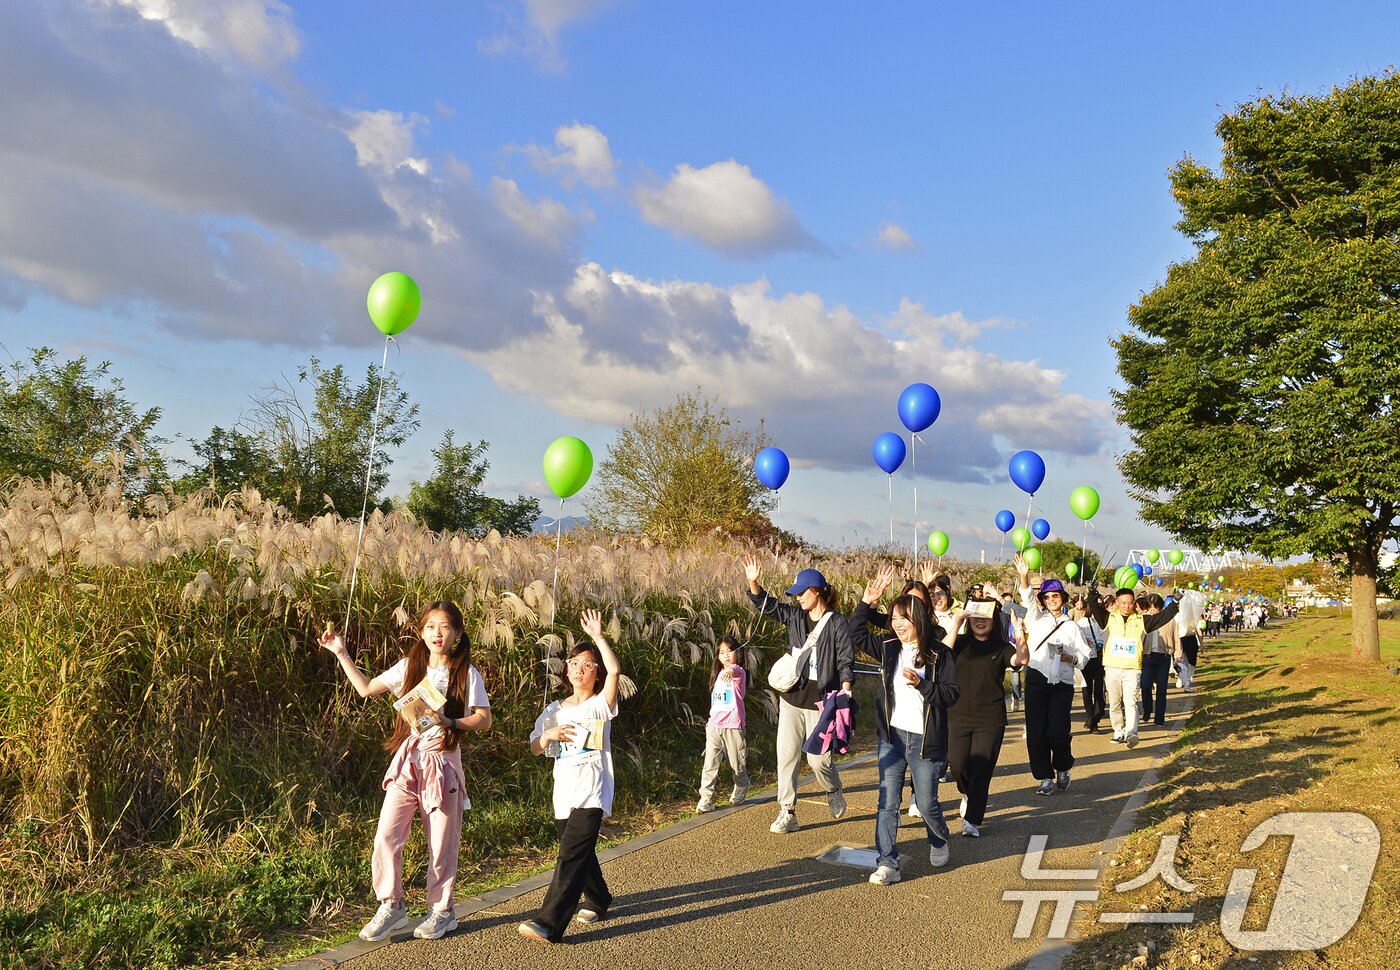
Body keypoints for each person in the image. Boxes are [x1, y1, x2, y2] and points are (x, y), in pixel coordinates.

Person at [319, 603, 492, 942]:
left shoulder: (466, 673)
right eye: (430, 627)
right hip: (408, 762)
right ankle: (392, 905)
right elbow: (366, 688)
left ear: (457, 633)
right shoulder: (408, 667)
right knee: (386, 834)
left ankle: (442, 911)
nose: (437, 634)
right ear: (421, 632)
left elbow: (483, 719)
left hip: (442, 763)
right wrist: (341, 652)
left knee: (441, 843)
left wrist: (450, 721)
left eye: (445, 627)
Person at [518, 610, 622, 943]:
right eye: (574, 663)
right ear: (566, 670)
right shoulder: (553, 710)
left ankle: (549, 923)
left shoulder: (600, 705)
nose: (579, 669)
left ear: (596, 673)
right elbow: (535, 748)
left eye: (587, 664)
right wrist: (547, 736)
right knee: (580, 852)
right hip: (563, 790)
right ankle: (600, 898)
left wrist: (598, 637)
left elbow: (615, 671)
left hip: (592, 789)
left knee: (570, 854)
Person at [848, 591, 959, 883]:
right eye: (894, 618)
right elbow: (855, 632)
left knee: (926, 803)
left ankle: (938, 839)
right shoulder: (889, 647)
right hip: (892, 737)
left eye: (904, 619)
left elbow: (950, 694)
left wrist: (922, 685)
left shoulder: (939, 654)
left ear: (918, 620)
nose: (897, 624)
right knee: (887, 801)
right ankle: (888, 863)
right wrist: (867, 601)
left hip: (925, 740)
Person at [744, 555, 855, 834]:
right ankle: (788, 811)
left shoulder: (837, 623)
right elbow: (767, 606)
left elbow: (845, 658)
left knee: (819, 761)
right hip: (791, 699)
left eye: (802, 592)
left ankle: (833, 790)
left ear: (816, 592)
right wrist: (753, 582)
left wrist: (846, 690)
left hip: (822, 703)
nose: (798, 598)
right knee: (787, 756)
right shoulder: (795, 617)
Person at [944, 587, 1027, 837]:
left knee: (981, 769)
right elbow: (940, 653)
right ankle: (967, 792)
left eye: (987, 617)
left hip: (990, 719)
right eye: (976, 617)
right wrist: (957, 623)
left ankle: (972, 820)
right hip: (958, 715)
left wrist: (1019, 630)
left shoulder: (1001, 647)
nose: (981, 622)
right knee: (958, 765)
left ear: (994, 620)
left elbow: (1021, 660)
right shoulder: (960, 643)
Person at [1016, 557, 1092, 795]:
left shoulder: (1072, 626)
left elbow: (1086, 654)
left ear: (1063, 598)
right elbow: (1028, 598)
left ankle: (1062, 767)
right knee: (1036, 733)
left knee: (1057, 731)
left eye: (1055, 596)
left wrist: (1072, 659)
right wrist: (1024, 576)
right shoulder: (1036, 619)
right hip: (1037, 678)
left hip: (1062, 683)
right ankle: (1044, 777)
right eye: (1047, 597)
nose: (1051, 600)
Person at [1083, 583, 1179, 748]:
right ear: (1117, 603)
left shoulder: (1142, 621)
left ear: (1134, 603)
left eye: (1129, 603)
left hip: (1132, 669)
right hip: (1112, 668)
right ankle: (1118, 731)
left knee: (1131, 702)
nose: (1126, 606)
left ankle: (1131, 733)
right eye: (1123, 603)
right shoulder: (1107, 618)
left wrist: (1175, 603)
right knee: (1114, 702)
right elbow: (1094, 607)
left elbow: (1162, 617)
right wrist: (1092, 592)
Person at [695, 636, 751, 812]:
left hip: (733, 726)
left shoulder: (739, 673)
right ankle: (706, 798)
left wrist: (730, 671)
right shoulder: (718, 674)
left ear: (738, 653)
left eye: (729, 651)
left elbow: (735, 670)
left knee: (737, 764)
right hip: (714, 727)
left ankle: (742, 784)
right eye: (721, 652)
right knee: (709, 764)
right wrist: (710, 722)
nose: (726, 655)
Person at [1140, 594, 1179, 727]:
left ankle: (1159, 718)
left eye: (1155, 606)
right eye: (1150, 606)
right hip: (1147, 656)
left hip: (1164, 657)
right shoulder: (1143, 619)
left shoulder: (1169, 619)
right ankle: (1147, 708)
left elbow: (1176, 636)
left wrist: (1178, 652)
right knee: (1145, 686)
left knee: (1161, 689)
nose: (1153, 609)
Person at [1073, 595, 1106, 732]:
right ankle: (1090, 717)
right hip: (1086, 660)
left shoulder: (1104, 622)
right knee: (1086, 690)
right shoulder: (1082, 622)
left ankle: (1095, 718)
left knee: (1099, 690)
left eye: (1101, 605)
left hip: (1100, 659)